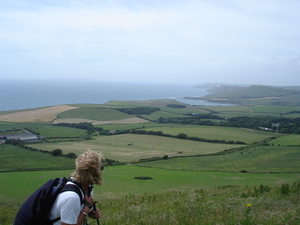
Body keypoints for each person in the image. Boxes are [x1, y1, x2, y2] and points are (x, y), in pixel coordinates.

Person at [49, 150, 103, 225]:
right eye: (101, 168)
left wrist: (90, 213)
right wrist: (86, 209)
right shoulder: (71, 197)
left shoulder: (87, 189)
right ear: (94, 172)